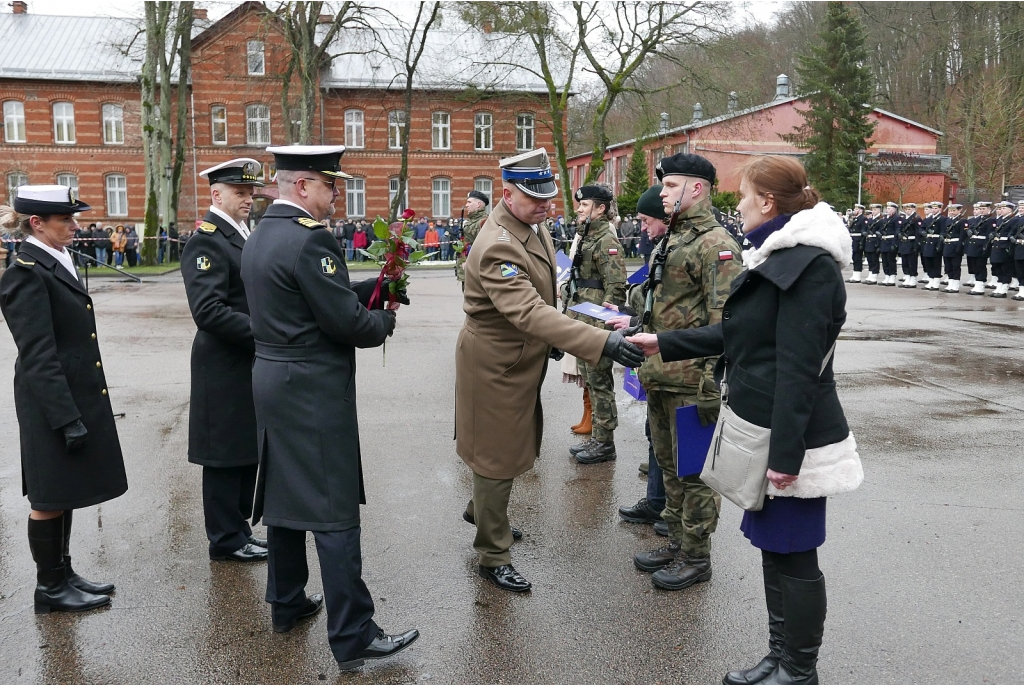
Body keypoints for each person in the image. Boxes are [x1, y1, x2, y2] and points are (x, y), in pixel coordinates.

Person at [627, 156, 861, 685]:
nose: (738, 203)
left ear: (769, 202)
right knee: (775, 551)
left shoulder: (808, 265)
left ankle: (799, 669)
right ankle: (779, 656)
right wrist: (662, 340)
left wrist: (785, 460)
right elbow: (740, 334)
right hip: (767, 427)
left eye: (744, 194)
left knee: (795, 557)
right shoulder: (779, 257)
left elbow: (800, 371)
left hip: (791, 437)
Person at [241, 145, 418, 672]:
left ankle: (287, 601)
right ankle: (354, 632)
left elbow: (308, 297)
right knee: (333, 508)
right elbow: (347, 325)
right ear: (301, 186)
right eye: (328, 184)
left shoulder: (263, 236)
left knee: (285, 496)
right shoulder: (309, 241)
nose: (334, 194)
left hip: (275, 379)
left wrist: (373, 285)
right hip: (311, 389)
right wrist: (384, 320)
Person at [455, 148, 643, 593]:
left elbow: (545, 291)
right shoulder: (499, 241)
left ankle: (483, 510)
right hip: (496, 361)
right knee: (497, 453)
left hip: (519, 355)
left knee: (514, 442)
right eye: (533, 197)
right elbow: (529, 312)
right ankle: (492, 553)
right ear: (507, 193)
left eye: (548, 196)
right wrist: (600, 341)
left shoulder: (529, 223)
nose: (545, 205)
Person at [612, 155, 743, 591]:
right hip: (661, 372)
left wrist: (705, 375)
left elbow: (727, 324)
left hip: (692, 380)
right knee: (668, 468)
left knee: (695, 472)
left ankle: (696, 556)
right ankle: (675, 539)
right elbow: (665, 306)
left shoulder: (715, 244)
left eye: (670, 185)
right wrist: (634, 324)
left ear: (698, 189)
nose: (663, 193)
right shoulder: (675, 237)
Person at [0, 185, 129, 614]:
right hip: (49, 401)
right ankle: (49, 587)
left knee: (63, 488)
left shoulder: (53, 259)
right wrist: (65, 418)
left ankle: (64, 571)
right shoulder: (25, 271)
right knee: (48, 495)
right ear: (36, 224)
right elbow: (37, 355)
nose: (75, 226)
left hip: (70, 394)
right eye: (66, 220)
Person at [181, 158, 268, 565]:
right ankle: (225, 538)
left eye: (250, 192)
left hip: (245, 361)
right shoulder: (208, 240)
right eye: (240, 192)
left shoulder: (244, 234)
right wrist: (267, 332)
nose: (248, 198)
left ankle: (239, 529)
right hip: (223, 364)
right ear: (216, 194)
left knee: (243, 449)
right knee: (223, 456)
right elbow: (210, 311)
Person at [614, 185, 673, 528]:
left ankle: (671, 513)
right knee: (656, 435)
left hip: (680, 362)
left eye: (647, 220)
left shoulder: (688, 248)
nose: (644, 228)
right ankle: (656, 501)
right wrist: (634, 319)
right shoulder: (662, 247)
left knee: (676, 444)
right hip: (657, 358)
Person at [563, 184, 627, 464]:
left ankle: (605, 442)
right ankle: (596, 437)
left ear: (600, 208)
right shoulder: (588, 236)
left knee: (600, 382)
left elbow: (615, 288)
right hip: (582, 317)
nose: (579, 209)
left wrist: (606, 327)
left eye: (585, 205)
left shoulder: (606, 241)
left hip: (596, 321)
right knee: (589, 379)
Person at [456, 190, 488, 288]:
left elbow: (485, 248)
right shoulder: (471, 221)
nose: (466, 205)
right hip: (467, 273)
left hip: (475, 273)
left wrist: (470, 263)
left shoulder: (484, 222)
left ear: (478, 204)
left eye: (469, 202)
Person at [988, 200, 1016, 298]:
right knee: (997, 266)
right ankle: (999, 285)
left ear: (1010, 209)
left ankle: (1004, 287)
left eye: (1004, 208)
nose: (1002, 210)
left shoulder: (1013, 219)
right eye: (1001, 208)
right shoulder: (1000, 219)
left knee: (1006, 268)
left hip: (1005, 246)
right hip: (997, 245)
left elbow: (1012, 233)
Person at [941, 204, 968, 293]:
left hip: (955, 245)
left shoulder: (962, 221)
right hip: (947, 245)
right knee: (948, 266)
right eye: (950, 211)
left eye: (954, 211)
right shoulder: (948, 220)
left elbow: (962, 235)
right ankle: (950, 282)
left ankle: (955, 285)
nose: (952, 212)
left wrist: (959, 248)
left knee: (955, 266)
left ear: (959, 210)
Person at [919, 202, 945, 290]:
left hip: (936, 242)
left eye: (936, 208)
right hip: (928, 241)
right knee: (928, 261)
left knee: (936, 263)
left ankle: (936, 281)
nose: (934, 210)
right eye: (933, 208)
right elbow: (922, 227)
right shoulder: (928, 219)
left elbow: (944, 230)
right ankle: (931, 280)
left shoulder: (942, 219)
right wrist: (922, 232)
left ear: (940, 209)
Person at [897, 202, 922, 288]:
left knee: (912, 262)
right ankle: (907, 277)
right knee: (905, 262)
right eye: (906, 209)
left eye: (909, 209)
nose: (907, 211)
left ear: (914, 209)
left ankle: (913, 278)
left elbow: (918, 233)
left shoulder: (916, 219)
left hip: (912, 242)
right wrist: (899, 234)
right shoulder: (904, 219)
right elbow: (899, 229)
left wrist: (916, 245)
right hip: (904, 243)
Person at [846, 204, 867, 283]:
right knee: (854, 258)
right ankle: (855, 274)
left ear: (861, 210)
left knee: (858, 258)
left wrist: (862, 242)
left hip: (858, 241)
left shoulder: (863, 219)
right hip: (853, 240)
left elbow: (863, 231)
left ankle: (857, 275)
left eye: (856, 209)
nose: (854, 211)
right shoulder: (855, 219)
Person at [862, 204, 883, 284]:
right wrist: (865, 232)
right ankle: (870, 274)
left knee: (874, 259)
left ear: (879, 210)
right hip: (869, 241)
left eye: (875, 210)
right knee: (869, 259)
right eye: (872, 210)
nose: (873, 212)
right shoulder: (870, 219)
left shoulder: (880, 220)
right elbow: (865, 228)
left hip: (875, 241)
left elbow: (881, 230)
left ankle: (874, 275)